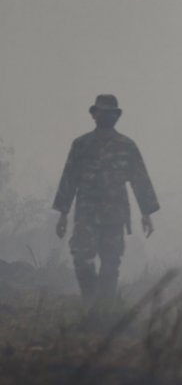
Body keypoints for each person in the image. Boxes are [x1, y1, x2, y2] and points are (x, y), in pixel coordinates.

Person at [53, 94, 159, 301]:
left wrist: (146, 214)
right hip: (86, 215)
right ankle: (90, 302)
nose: (107, 116)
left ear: (116, 116)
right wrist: (62, 213)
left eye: (111, 113)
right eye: (103, 112)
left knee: (111, 264)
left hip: (115, 216)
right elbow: (69, 178)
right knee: (82, 260)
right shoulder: (81, 145)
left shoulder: (127, 146)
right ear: (94, 114)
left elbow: (140, 180)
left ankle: (106, 309)